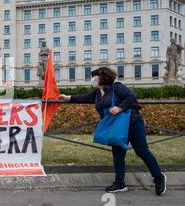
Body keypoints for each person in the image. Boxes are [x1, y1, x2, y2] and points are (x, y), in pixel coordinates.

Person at [59, 67, 167, 196]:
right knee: (118, 154)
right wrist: (67, 97)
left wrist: (120, 108)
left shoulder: (117, 87)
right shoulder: (98, 93)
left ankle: (158, 177)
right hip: (115, 126)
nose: (92, 79)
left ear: (101, 77)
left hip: (132, 122)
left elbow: (131, 96)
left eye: (94, 77)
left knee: (142, 151)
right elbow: (85, 97)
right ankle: (120, 183)